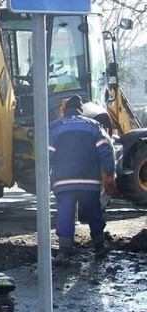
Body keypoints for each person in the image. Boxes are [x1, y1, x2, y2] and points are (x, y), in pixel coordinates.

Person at [49, 94, 116, 263]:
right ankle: (100, 247)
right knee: (94, 214)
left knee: (65, 215)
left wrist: (47, 176)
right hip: (89, 182)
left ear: (65, 109)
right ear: (81, 110)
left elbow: (47, 154)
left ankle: (65, 251)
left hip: (63, 182)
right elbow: (105, 151)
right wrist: (109, 174)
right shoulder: (93, 126)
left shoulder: (54, 127)